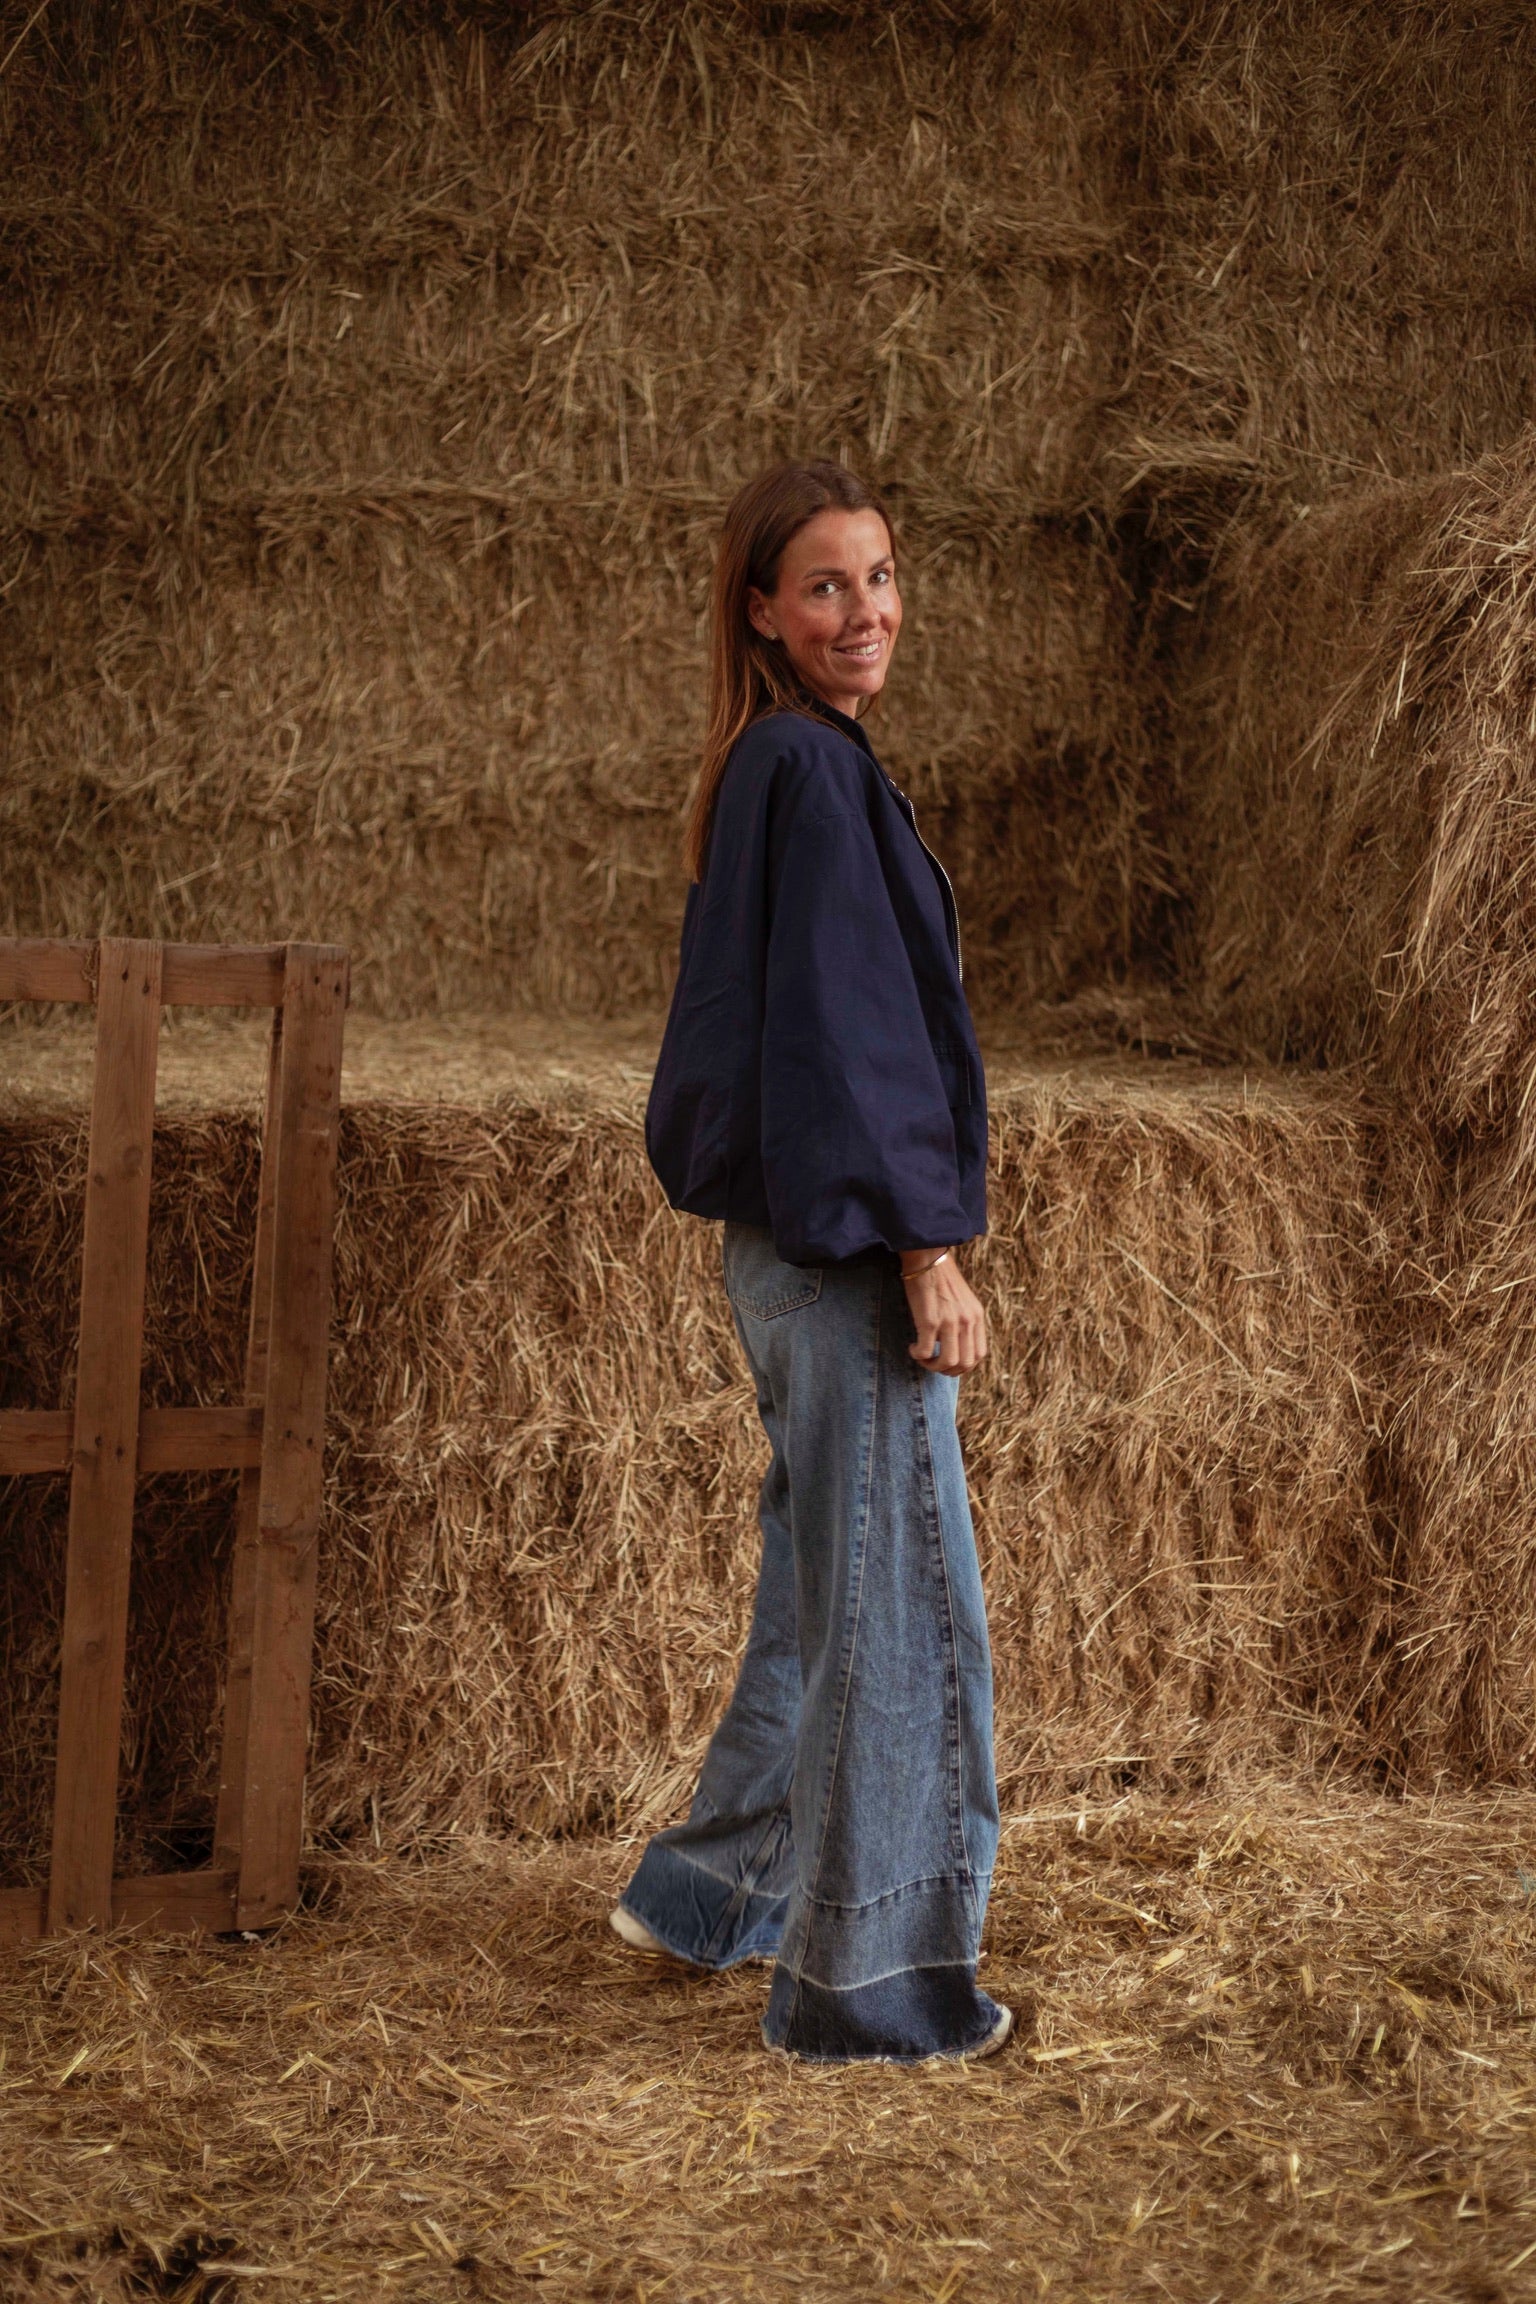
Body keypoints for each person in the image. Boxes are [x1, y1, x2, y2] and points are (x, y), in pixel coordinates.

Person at [612, 460, 1008, 2064]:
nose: (865, 612)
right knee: (905, 1614)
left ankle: (709, 1893)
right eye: (827, 586)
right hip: (844, 1256)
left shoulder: (775, 763)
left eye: (882, 576)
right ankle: (875, 1987)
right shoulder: (808, 769)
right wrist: (928, 1254)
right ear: (764, 612)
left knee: (818, 1594)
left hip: (779, 1252)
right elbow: (855, 1036)